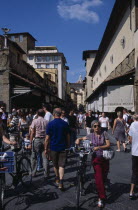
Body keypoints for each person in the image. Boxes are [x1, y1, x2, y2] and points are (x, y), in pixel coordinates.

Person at [76, 120, 110, 208]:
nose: (97, 127)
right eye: (94, 126)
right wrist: (78, 139)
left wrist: (99, 147)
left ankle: (103, 189)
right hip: (96, 159)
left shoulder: (104, 133)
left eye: (98, 125)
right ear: (92, 127)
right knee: (98, 178)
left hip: (105, 158)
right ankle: (101, 197)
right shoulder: (90, 135)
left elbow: (108, 145)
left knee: (104, 177)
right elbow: (82, 138)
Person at [45, 108, 70, 190]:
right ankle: (61, 181)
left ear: (54, 114)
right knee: (62, 165)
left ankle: (57, 178)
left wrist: (46, 148)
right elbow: (68, 136)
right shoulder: (65, 123)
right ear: (60, 114)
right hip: (63, 147)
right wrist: (68, 146)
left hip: (53, 147)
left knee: (55, 165)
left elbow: (47, 138)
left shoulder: (50, 124)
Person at [30, 109, 48, 177]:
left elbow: (33, 132)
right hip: (44, 140)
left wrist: (30, 141)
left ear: (37, 114)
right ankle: (46, 174)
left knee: (34, 156)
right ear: (44, 114)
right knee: (45, 157)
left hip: (37, 140)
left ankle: (33, 173)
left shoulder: (35, 121)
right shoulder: (46, 122)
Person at [128, 114, 138, 199]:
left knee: (135, 171)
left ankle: (131, 191)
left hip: (135, 152)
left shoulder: (132, 125)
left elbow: (130, 140)